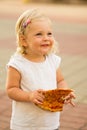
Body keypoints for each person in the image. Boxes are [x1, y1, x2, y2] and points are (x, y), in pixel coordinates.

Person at [6, 8, 75, 130]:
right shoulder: (17, 64)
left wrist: (65, 92)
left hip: (50, 123)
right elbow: (11, 89)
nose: (46, 38)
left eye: (49, 33)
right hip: (26, 125)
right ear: (23, 40)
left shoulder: (52, 60)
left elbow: (60, 80)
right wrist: (29, 96)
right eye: (39, 34)